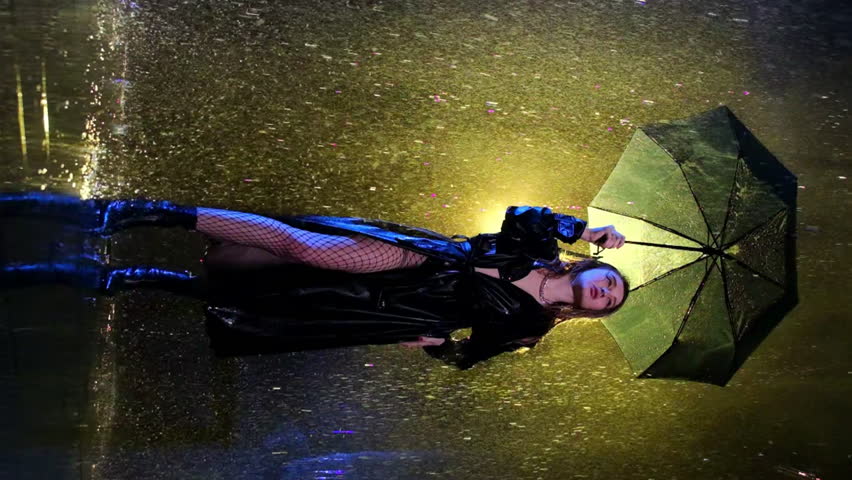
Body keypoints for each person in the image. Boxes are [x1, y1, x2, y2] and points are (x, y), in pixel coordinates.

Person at [0, 192, 629, 368]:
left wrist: (438, 347)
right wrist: (581, 227)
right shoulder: (545, 247)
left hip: (388, 310)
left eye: (608, 301)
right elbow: (523, 213)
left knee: (248, 296)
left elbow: (470, 356)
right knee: (297, 242)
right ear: (595, 268)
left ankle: (113, 278)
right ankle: (132, 215)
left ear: (594, 312)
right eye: (609, 282)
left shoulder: (530, 325)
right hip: (413, 258)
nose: (604, 291)